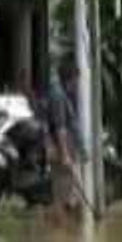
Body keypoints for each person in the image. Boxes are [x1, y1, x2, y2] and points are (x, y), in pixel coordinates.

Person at [46, 63, 88, 215]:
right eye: (76, 80)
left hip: (68, 152)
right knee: (64, 199)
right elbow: (60, 127)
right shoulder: (58, 96)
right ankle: (59, 232)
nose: (77, 85)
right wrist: (65, 155)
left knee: (72, 198)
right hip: (63, 153)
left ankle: (67, 234)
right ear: (70, 79)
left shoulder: (63, 94)